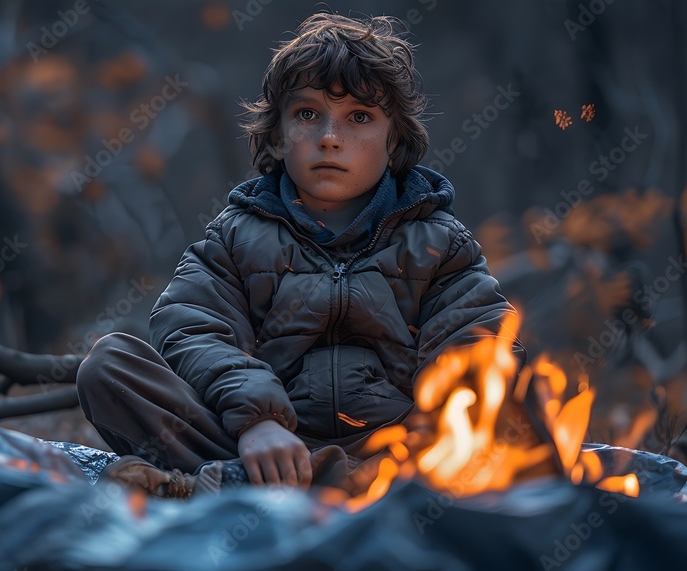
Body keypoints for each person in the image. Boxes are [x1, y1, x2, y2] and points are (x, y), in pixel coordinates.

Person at [75, 12, 522, 497]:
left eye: (359, 117)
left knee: (514, 408)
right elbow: (189, 328)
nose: (330, 136)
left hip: (399, 450)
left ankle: (255, 488)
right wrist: (258, 420)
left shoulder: (437, 240)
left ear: (394, 142)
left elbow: (478, 345)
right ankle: (305, 483)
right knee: (109, 366)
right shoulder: (236, 235)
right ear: (277, 134)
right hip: (257, 442)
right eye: (307, 114)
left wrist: (445, 427)